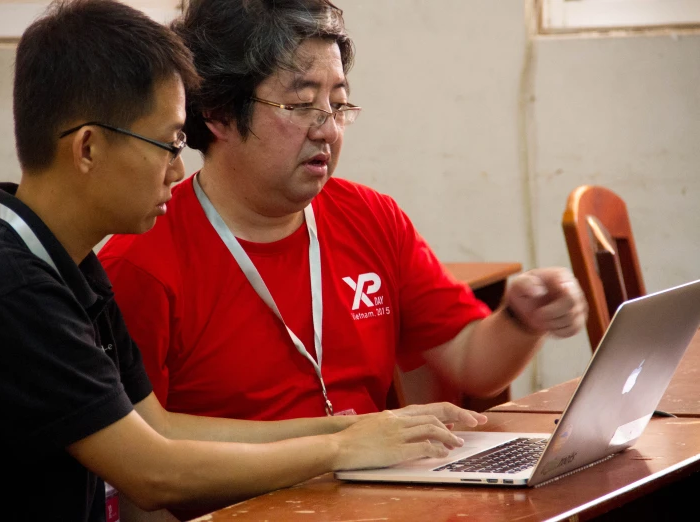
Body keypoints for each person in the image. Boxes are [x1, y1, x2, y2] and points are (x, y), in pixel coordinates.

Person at [0, 1, 489, 521]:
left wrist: (358, 426)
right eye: (167, 143)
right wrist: (342, 448)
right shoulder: (0, 285)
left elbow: (162, 427)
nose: (177, 166)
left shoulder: (68, 267)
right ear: (88, 147)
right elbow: (154, 471)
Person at [98, 0, 588, 424]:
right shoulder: (141, 263)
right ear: (218, 113)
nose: (328, 130)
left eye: (338, 104)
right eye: (301, 104)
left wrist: (521, 320)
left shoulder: (371, 217)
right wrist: (341, 442)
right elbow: (146, 464)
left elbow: (468, 358)